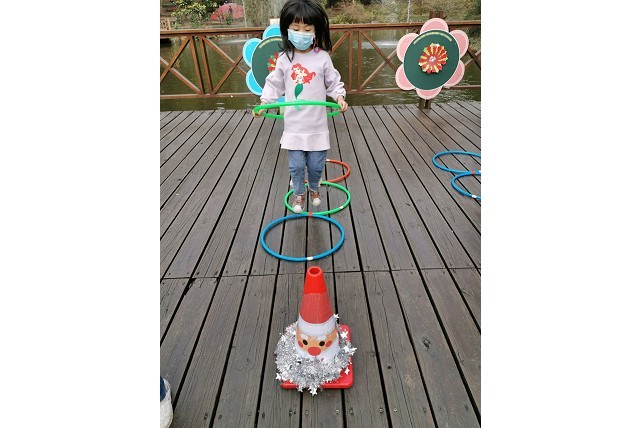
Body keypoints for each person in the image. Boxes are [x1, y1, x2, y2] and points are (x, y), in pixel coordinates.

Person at [253, 0, 348, 213]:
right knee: (296, 166)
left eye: (307, 29)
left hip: (316, 126)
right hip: (294, 127)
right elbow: (274, 84)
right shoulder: (284, 59)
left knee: (315, 166)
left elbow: (333, 82)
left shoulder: (322, 58)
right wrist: (264, 103)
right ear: (287, 30)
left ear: (316, 30)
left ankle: (314, 188)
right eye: (296, 29)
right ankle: (298, 193)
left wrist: (340, 98)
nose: (301, 33)